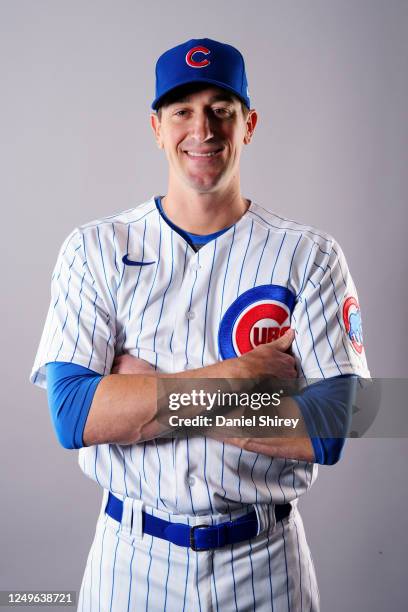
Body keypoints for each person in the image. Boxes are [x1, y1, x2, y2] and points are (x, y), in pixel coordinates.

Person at [31, 38, 370, 611]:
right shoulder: (94, 249)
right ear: (157, 127)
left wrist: (144, 394)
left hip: (264, 561)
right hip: (129, 561)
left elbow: (335, 424)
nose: (203, 128)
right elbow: (72, 416)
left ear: (249, 124)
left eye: (221, 109)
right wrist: (237, 377)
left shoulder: (310, 255)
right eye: (183, 110)